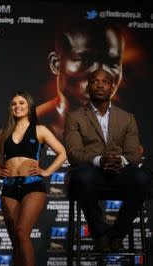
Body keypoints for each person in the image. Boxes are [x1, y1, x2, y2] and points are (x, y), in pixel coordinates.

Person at [64, 69, 152, 252]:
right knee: (82, 177)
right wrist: (99, 160)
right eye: (95, 81)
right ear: (88, 87)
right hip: (90, 173)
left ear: (112, 87)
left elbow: (134, 154)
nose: (100, 84)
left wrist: (120, 160)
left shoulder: (127, 118)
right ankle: (100, 234)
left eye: (105, 81)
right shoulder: (75, 117)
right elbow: (73, 153)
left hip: (119, 173)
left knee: (143, 178)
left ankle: (117, 234)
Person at [0, 91, 66, 266]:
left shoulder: (40, 130)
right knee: (16, 239)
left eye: (22, 103)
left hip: (32, 186)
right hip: (9, 188)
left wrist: (46, 172)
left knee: (22, 232)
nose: (17, 106)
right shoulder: (3, 132)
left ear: (29, 107)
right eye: (14, 104)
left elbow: (62, 153)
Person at [37, 22, 124, 139]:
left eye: (112, 63)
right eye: (86, 61)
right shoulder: (29, 122)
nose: (100, 77)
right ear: (56, 64)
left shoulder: (125, 128)